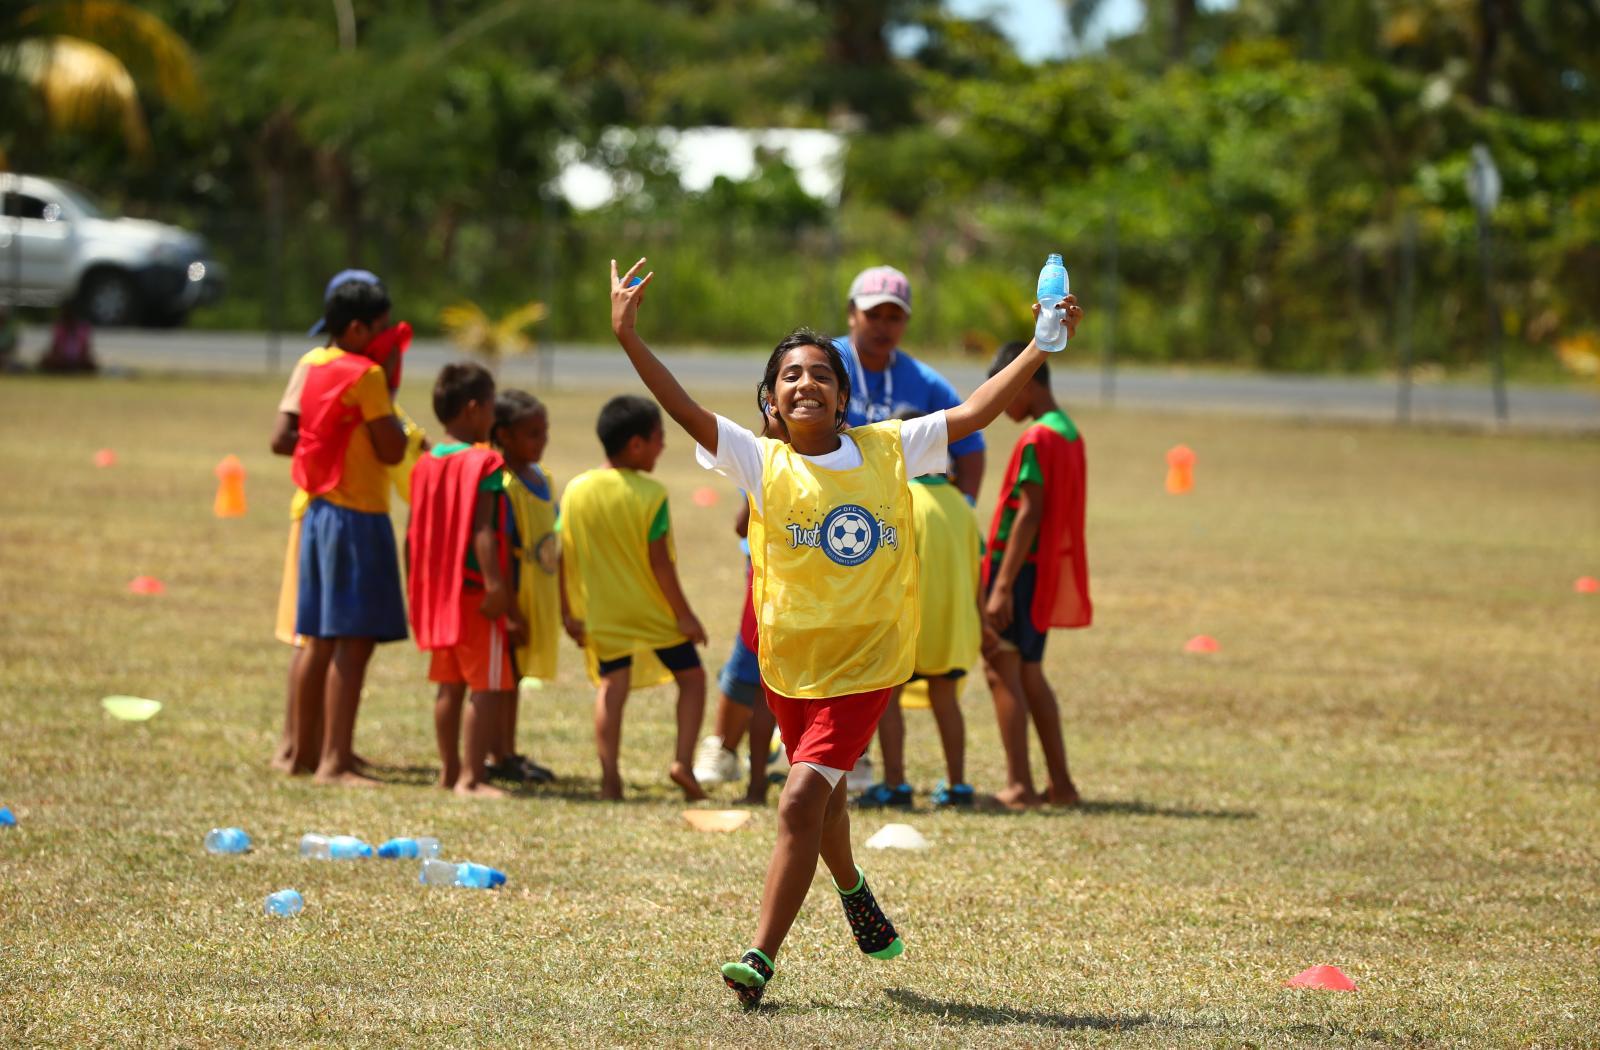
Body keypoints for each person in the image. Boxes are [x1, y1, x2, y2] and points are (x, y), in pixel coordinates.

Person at [606, 256, 1081, 1008]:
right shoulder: (759, 464)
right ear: (770, 397)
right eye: (790, 375)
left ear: (843, 393)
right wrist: (629, 338)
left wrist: (1039, 347)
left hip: (867, 666)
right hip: (790, 665)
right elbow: (686, 409)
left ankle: (759, 957)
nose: (806, 385)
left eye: (821, 374)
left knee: (797, 801)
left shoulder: (890, 448)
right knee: (821, 802)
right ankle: (854, 887)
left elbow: (976, 414)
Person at [268, 269, 413, 775]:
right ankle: (335, 761)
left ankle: (302, 753)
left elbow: (289, 434)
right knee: (354, 642)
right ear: (355, 329)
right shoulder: (366, 375)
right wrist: (387, 384)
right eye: (380, 328)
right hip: (358, 516)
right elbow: (392, 449)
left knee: (317, 637)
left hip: (318, 512)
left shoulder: (314, 364)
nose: (386, 338)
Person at [560, 394, 709, 802]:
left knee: (612, 688)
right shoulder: (651, 494)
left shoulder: (575, 489)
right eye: (659, 439)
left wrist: (567, 612)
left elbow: (564, 556)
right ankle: (682, 763)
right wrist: (686, 616)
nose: (663, 447)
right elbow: (660, 564)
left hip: (604, 614)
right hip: (653, 613)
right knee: (693, 679)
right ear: (636, 444)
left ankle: (610, 779)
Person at [982, 341, 1093, 809]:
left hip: (1019, 572)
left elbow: (1030, 512)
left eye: (1007, 391)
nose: (1002, 402)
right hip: (1040, 571)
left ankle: (1020, 786)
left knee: (1000, 670)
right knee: (1030, 673)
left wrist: (1001, 587)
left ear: (1027, 382)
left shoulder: (1037, 438)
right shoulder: (1067, 432)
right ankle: (1062, 786)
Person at [860, 410, 987, 810]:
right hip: (952, 627)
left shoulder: (902, 500)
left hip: (908, 628)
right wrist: (979, 620)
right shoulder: (962, 505)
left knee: (888, 700)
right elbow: (977, 566)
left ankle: (896, 784)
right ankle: (957, 785)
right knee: (946, 701)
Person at [407, 362, 521, 799]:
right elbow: (484, 530)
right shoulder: (485, 462)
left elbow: (412, 535)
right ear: (474, 408)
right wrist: (496, 587)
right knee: (485, 686)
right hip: (476, 592)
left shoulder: (425, 463)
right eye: (492, 406)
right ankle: (472, 779)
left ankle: (449, 771)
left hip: (438, 593)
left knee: (448, 684)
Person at [490, 389, 559, 784]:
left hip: (541, 596)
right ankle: (496, 753)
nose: (542, 440)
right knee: (500, 677)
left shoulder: (544, 478)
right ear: (505, 435)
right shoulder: (501, 484)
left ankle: (506, 751)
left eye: (544, 430)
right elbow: (500, 549)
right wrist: (511, 611)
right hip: (515, 599)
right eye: (532, 433)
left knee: (514, 678)